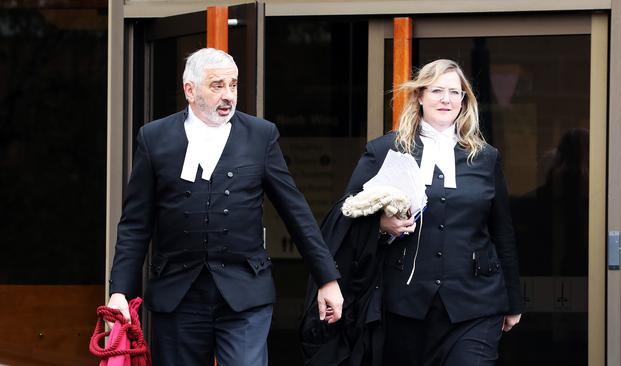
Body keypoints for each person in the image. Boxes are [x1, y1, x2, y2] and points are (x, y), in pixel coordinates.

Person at [106, 48, 343, 366]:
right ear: (190, 90)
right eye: (217, 85)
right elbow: (135, 223)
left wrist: (327, 279)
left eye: (233, 85)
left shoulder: (261, 136)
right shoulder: (154, 138)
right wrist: (119, 291)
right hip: (177, 295)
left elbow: (295, 212)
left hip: (245, 290)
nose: (228, 95)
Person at [303, 59, 523, 366]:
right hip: (404, 305)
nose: (446, 99)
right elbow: (345, 215)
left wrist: (513, 300)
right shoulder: (385, 150)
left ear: (464, 100)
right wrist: (380, 224)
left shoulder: (485, 157)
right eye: (437, 91)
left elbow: (502, 231)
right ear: (419, 96)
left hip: (476, 303)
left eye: (454, 92)